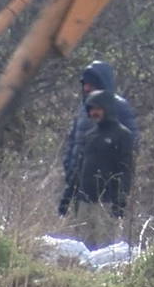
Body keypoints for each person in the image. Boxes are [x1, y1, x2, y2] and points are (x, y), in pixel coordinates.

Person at [57, 90, 135, 249]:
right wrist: (67, 198)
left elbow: (126, 171)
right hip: (83, 202)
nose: (94, 112)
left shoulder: (122, 135)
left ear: (108, 108)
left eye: (98, 108)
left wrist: (120, 201)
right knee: (82, 250)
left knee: (103, 251)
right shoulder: (89, 135)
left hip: (105, 203)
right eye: (91, 109)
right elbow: (78, 170)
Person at [62, 60, 138, 193]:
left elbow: (131, 146)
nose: (86, 88)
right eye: (85, 84)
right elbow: (73, 142)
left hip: (106, 190)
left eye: (91, 84)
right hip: (78, 187)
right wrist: (69, 170)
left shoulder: (119, 106)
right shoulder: (83, 108)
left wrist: (117, 184)